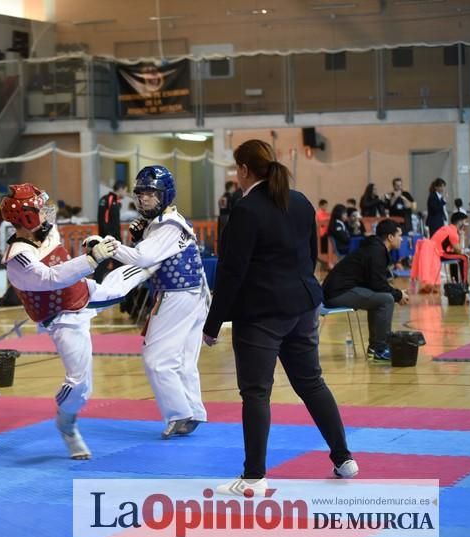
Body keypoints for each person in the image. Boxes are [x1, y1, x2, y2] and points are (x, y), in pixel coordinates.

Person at [203, 139, 357, 496]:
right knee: (312, 383)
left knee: (256, 393)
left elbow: (231, 273)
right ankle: (344, 459)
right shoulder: (300, 201)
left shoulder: (245, 210)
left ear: (243, 170)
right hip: (302, 307)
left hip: (261, 315)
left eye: (235, 169)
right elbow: (312, 255)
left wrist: (213, 325)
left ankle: (254, 477)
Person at [1, 183, 147, 459]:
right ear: (27, 217)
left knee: (121, 287)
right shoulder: (18, 259)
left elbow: (64, 263)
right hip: (62, 318)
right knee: (81, 386)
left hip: (82, 293)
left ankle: (153, 264)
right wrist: (91, 259)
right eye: (40, 210)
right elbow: (52, 278)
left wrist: (90, 245)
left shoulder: (46, 232)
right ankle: (66, 423)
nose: (47, 214)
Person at [111, 165, 209, 438]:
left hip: (177, 296)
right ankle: (194, 411)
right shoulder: (166, 221)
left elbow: (143, 258)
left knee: (156, 359)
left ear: (165, 195)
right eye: (140, 193)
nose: (143, 198)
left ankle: (179, 413)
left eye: (150, 193)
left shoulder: (168, 225)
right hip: (193, 295)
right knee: (184, 360)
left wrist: (110, 246)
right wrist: (141, 235)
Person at [323, 219, 410, 362]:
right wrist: (398, 294)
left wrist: (396, 292)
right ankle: (380, 349)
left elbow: (375, 284)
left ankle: (375, 348)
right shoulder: (376, 251)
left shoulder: (375, 248)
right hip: (338, 293)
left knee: (381, 298)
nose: (402, 239)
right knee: (386, 300)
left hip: (341, 290)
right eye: (399, 235)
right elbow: (378, 284)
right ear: (390, 237)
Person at [431, 212, 470, 303]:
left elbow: (454, 251)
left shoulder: (447, 228)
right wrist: (462, 236)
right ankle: (465, 285)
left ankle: (455, 282)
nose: (465, 224)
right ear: (460, 222)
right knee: (463, 258)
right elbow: (459, 250)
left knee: (457, 257)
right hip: (438, 254)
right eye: (464, 222)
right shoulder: (452, 232)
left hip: (435, 253)